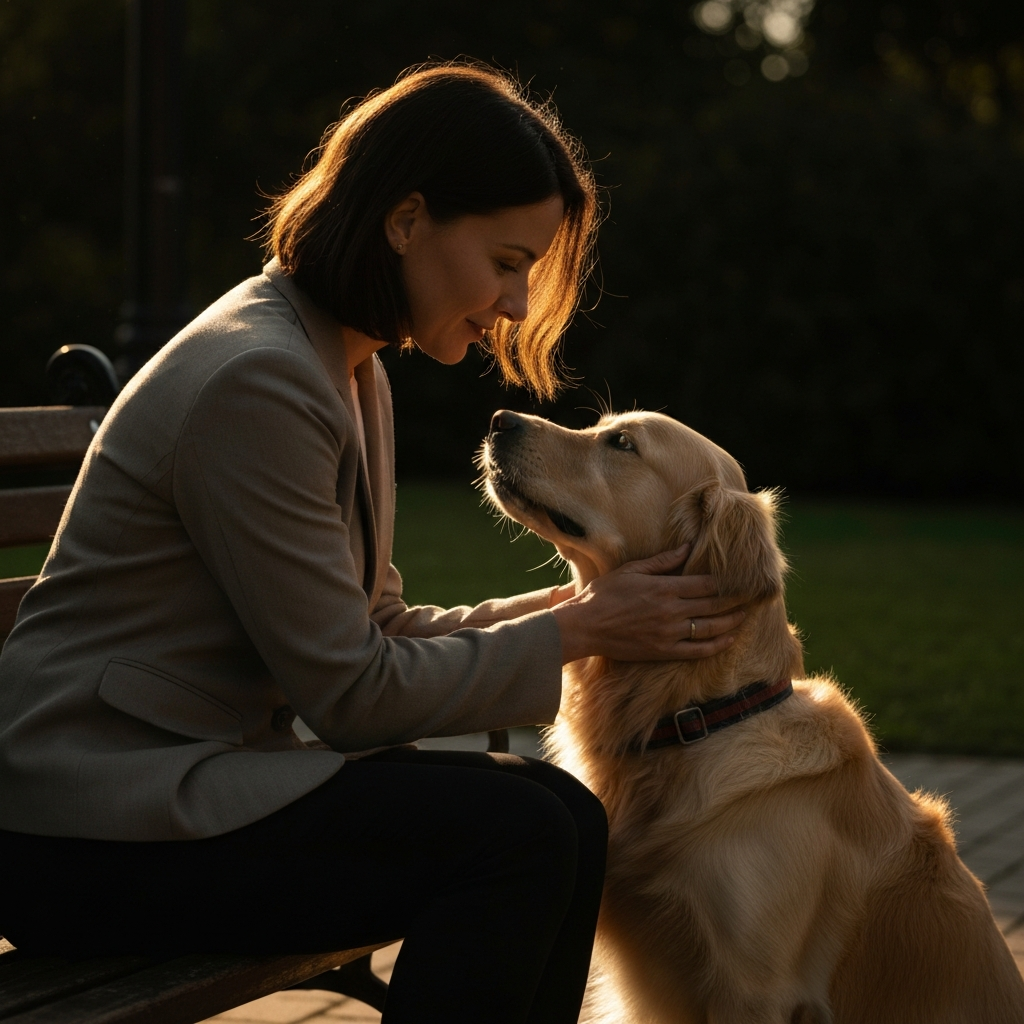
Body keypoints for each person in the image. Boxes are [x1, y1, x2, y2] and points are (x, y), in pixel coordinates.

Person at [0, 63, 743, 1023]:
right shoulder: (259, 381)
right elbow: (353, 697)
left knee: (559, 815)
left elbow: (376, 625)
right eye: (508, 260)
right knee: (514, 836)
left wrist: (579, 613)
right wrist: (578, 632)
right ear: (406, 221)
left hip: (179, 790)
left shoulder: (344, 365)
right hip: (89, 833)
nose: (517, 304)